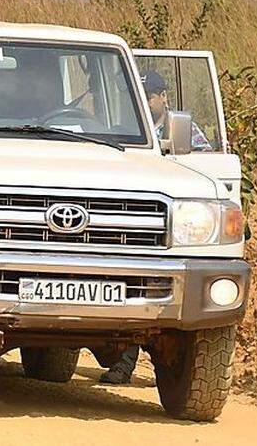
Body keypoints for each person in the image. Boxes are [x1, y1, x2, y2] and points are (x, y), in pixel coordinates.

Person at [101, 69, 213, 384]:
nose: (146, 103)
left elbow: (203, 170)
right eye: (140, 97)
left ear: (163, 97)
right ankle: (123, 365)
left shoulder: (186, 133)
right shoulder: (127, 128)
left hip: (175, 229)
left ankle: (143, 366)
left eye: (150, 97)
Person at [142, 70, 213, 151]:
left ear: (163, 96)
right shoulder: (130, 130)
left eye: (147, 98)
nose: (142, 103)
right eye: (137, 98)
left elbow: (204, 155)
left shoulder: (180, 126)